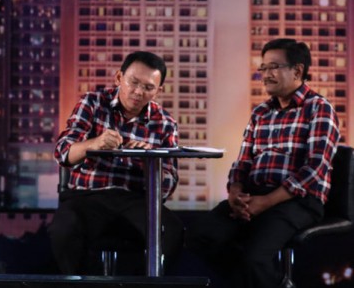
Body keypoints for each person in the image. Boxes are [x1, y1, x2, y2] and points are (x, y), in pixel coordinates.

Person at [186, 39, 340, 288]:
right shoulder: (260, 113)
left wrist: (265, 202)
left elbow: (314, 169)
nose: (265, 75)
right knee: (199, 237)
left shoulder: (319, 109)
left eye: (273, 68)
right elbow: (243, 161)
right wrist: (236, 192)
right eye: (263, 69)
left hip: (298, 200)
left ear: (298, 71)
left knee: (254, 258)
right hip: (254, 195)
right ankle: (272, 283)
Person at [48, 51, 181, 275]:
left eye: (148, 87)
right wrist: (96, 143)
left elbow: (167, 187)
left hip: (136, 200)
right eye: (133, 82)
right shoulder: (92, 103)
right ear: (119, 78)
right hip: (88, 196)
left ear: (158, 91)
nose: (138, 92)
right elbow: (63, 153)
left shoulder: (165, 123)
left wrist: (147, 162)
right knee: (63, 229)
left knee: (174, 231)